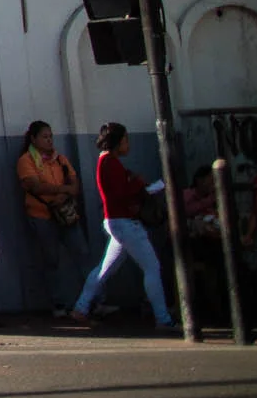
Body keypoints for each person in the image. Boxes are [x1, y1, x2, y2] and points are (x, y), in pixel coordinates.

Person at [71, 121, 175, 329]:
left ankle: (81, 308)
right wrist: (140, 184)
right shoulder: (110, 163)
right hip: (125, 223)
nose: (128, 144)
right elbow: (122, 193)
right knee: (152, 267)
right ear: (117, 142)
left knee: (104, 268)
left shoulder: (107, 162)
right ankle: (163, 318)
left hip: (117, 222)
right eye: (125, 140)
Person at [15, 120, 88, 316]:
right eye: (44, 137)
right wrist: (63, 189)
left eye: (51, 137)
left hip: (66, 214)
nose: (49, 140)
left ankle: (93, 300)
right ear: (33, 139)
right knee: (51, 260)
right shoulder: (27, 161)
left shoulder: (60, 159)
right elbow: (35, 186)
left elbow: (74, 184)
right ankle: (59, 304)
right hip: (42, 216)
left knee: (82, 254)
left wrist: (64, 195)